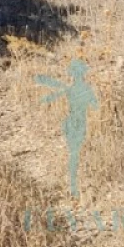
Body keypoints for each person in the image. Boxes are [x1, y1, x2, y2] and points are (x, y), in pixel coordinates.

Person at [36, 59, 98, 200]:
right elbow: (95, 106)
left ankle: (73, 185)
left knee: (74, 154)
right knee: (75, 154)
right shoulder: (85, 89)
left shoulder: (71, 89)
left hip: (71, 123)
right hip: (78, 123)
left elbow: (51, 97)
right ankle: (73, 186)